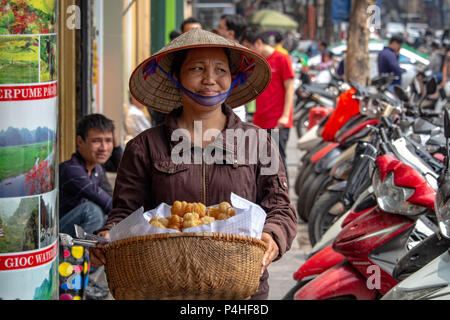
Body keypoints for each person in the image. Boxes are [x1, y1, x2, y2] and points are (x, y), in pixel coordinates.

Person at [90, 28, 297, 300]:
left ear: (233, 79)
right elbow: (126, 214)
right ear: (176, 77)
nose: (210, 79)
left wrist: (272, 236)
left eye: (220, 70)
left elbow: (280, 207)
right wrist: (108, 235)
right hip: (164, 288)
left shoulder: (259, 142)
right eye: (197, 68)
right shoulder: (144, 147)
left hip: (242, 292)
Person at [241, 29, 295, 184]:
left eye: (249, 47)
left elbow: (290, 88)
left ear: (258, 43)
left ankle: (284, 198)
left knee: (278, 162)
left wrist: (285, 116)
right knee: (263, 162)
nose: (249, 51)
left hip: (278, 120)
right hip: (261, 119)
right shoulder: (258, 62)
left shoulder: (282, 58)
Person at [59, 114, 114, 238]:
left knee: (107, 218)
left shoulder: (97, 169)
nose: (104, 148)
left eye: (108, 140)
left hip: (79, 230)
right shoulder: (71, 169)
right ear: (80, 141)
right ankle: (84, 255)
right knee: (92, 211)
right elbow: (103, 200)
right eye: (96, 141)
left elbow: (111, 199)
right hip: (59, 234)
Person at [215, 13, 248, 122]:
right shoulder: (221, 52)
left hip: (232, 110)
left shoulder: (240, 57)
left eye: (220, 27)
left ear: (230, 33)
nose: (217, 30)